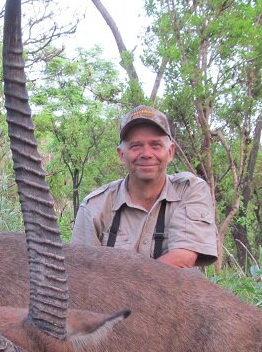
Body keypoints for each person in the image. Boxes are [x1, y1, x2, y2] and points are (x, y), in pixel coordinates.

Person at [71, 105, 218, 268]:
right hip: (109, 294)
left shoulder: (190, 190)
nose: (146, 154)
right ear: (121, 154)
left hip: (173, 292)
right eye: (135, 146)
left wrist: (123, 287)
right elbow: (83, 271)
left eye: (155, 145)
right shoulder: (94, 207)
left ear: (170, 152)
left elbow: (183, 258)